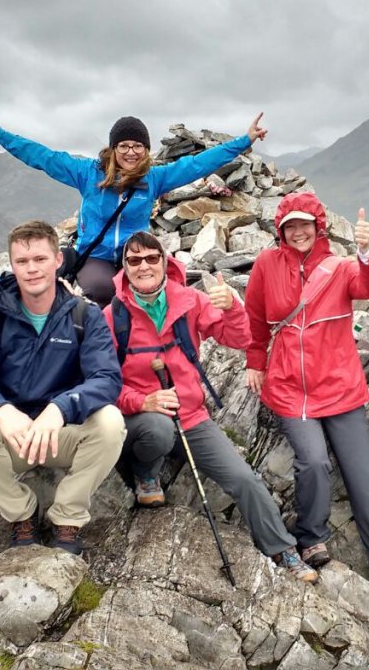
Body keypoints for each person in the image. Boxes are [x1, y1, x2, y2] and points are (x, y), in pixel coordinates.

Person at [243, 192, 369, 615]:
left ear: (319, 225)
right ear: (280, 229)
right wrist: (256, 362)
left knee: (365, 484)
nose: (298, 231)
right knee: (312, 462)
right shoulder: (267, 266)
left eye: (305, 223)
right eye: (290, 225)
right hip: (289, 387)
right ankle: (311, 538)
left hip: (341, 389)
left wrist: (365, 251)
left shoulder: (342, 267)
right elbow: (255, 318)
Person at [105, 231, 318, 583]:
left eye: (151, 258)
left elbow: (239, 338)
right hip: (142, 419)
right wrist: (141, 401)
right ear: (124, 268)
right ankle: (146, 474)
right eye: (134, 260)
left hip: (192, 418)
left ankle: (283, 551)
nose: (144, 266)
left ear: (165, 261)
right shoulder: (112, 316)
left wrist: (233, 307)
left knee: (244, 479)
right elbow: (102, 382)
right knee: (157, 431)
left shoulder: (188, 300)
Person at [0, 220, 126, 555]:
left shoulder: (83, 314)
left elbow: (106, 379)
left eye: (40, 259)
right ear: (12, 265)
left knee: (111, 423)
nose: (31, 270)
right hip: (13, 436)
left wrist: (61, 408)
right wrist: (1, 411)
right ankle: (21, 513)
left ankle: (68, 517)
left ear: (58, 260)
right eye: (22, 262)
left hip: (61, 433)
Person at [0, 108, 268, 305]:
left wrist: (244, 141)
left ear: (146, 150)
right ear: (114, 148)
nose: (131, 151)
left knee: (160, 290)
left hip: (136, 253)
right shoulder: (88, 173)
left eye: (138, 146)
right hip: (97, 255)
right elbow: (42, 157)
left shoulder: (154, 178)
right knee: (102, 291)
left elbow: (197, 164)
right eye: (124, 145)